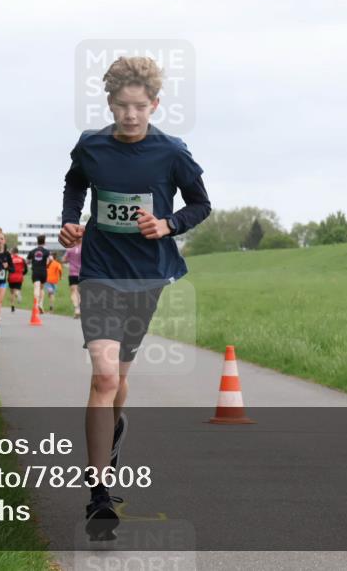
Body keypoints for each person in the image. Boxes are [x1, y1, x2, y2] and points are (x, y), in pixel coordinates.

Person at [60, 56, 211, 540]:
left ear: (155, 105)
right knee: (103, 376)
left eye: (140, 107)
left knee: (119, 380)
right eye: (122, 106)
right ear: (110, 104)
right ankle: (98, 490)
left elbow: (201, 204)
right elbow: (75, 182)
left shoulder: (172, 152)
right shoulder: (92, 145)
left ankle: (112, 433)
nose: (130, 115)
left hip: (146, 275)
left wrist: (169, 224)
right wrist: (70, 218)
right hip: (100, 271)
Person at [27, 235, 50, 314]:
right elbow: (49, 260)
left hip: (35, 271)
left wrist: (33, 262)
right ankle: (41, 304)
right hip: (43, 271)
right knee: (42, 288)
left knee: (36, 287)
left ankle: (36, 304)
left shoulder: (32, 251)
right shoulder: (46, 251)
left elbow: (28, 261)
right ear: (44, 242)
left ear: (37, 242)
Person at [65, 243, 83, 318]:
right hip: (82, 273)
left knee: (73, 291)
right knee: (80, 292)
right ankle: (80, 308)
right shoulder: (84, 248)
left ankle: (76, 309)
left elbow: (64, 259)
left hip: (72, 273)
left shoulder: (70, 249)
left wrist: (70, 259)